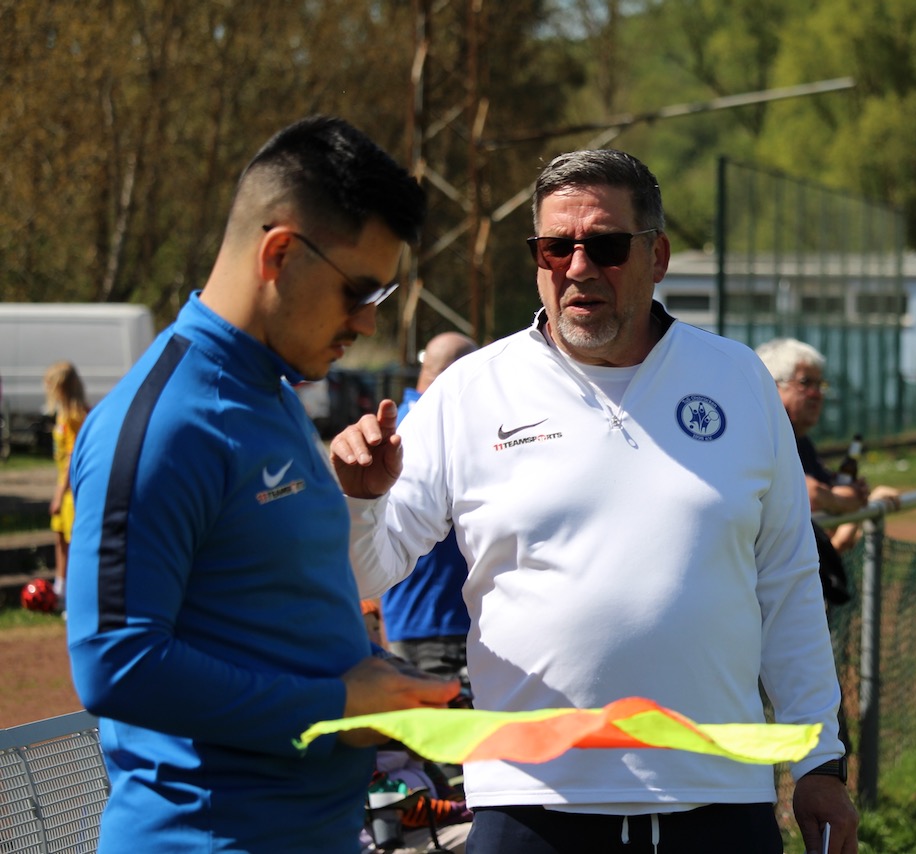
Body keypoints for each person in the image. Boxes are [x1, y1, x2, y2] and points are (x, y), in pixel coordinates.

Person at [331, 149, 859, 854]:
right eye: (556, 247)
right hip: (530, 801)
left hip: (718, 794)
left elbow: (788, 582)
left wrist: (821, 761)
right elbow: (366, 570)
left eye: (606, 246)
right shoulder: (470, 391)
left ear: (656, 256)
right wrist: (360, 500)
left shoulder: (736, 379)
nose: (578, 268)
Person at [64, 115, 458, 854]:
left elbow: (268, 614)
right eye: (358, 292)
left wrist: (377, 683)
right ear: (279, 253)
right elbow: (115, 663)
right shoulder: (165, 423)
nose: (367, 324)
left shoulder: (272, 394)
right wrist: (337, 703)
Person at [755, 338, 900, 577]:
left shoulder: (802, 441)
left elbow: (832, 494)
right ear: (772, 385)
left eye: (819, 384)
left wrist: (852, 499)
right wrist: (846, 502)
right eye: (805, 383)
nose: (817, 394)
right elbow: (809, 494)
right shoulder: (763, 434)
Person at [382, 331, 479, 685]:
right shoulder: (442, 428)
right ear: (461, 372)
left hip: (412, 617)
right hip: (441, 621)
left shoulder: (398, 424)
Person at [44, 360, 88, 609]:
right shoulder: (63, 414)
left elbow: (73, 457)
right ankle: (60, 590)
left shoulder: (75, 416)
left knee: (73, 543)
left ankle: (73, 597)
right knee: (60, 539)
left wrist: (59, 495)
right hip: (63, 487)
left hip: (71, 492)